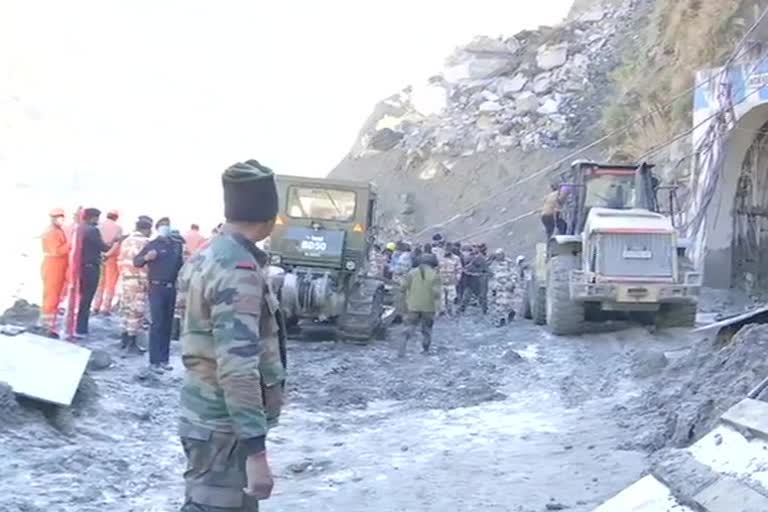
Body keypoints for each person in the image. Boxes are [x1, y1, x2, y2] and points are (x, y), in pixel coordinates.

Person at [177, 159, 286, 511]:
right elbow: (237, 365)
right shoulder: (238, 270)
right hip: (225, 429)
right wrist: (256, 450)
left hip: (207, 417)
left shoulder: (206, 255)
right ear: (268, 216)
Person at [134, 218, 184, 373]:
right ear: (157, 228)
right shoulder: (152, 245)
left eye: (167, 226)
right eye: (163, 226)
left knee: (168, 325)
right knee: (157, 324)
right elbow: (137, 261)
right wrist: (146, 258)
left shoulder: (176, 245)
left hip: (171, 288)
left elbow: (181, 267)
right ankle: (154, 361)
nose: (166, 228)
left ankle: (164, 360)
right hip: (156, 287)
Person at [76, 208, 116, 337]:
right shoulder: (93, 230)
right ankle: (81, 327)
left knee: (81, 298)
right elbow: (103, 247)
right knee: (86, 299)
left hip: (80, 266)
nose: (98, 220)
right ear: (92, 217)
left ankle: (77, 325)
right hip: (91, 267)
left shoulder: (79, 228)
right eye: (97, 218)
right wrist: (116, 241)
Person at [118, 217, 153, 355]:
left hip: (126, 278)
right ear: (147, 229)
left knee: (126, 309)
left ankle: (124, 339)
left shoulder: (126, 241)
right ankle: (132, 343)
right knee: (136, 311)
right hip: (139, 279)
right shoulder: (146, 242)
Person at [399, 253, 441, 357]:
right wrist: (439, 308)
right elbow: (436, 294)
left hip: (413, 306)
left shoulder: (411, 273)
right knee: (427, 330)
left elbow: (403, 287)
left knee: (409, 327)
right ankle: (425, 350)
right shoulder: (435, 275)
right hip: (429, 307)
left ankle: (402, 348)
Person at [39, 208, 70, 338]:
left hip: (57, 266)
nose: (60, 219)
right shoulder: (52, 232)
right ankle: (47, 327)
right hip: (53, 266)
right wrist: (70, 244)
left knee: (54, 296)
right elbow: (57, 251)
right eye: (58, 217)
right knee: (51, 297)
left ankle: (49, 325)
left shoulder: (57, 230)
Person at [93, 210, 123, 315]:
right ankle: (105, 307)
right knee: (110, 284)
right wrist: (108, 254)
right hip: (111, 259)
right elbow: (116, 244)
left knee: (99, 283)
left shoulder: (99, 227)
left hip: (98, 257)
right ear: (116, 217)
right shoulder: (118, 228)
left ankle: (96, 306)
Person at [488, 249, 516, 327]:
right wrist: (493, 287)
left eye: (499, 255)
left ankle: (511, 312)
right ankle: (501, 319)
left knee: (507, 302)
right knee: (499, 303)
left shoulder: (509, 262)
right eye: (497, 255)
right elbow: (492, 274)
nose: (498, 256)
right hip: (498, 285)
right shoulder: (494, 263)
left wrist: (512, 282)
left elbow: (513, 273)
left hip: (507, 285)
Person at [459, 247, 489, 315]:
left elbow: (483, 269)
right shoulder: (473, 257)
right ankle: (462, 308)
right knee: (468, 294)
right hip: (472, 278)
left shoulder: (479, 258)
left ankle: (484, 309)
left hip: (479, 278)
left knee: (481, 295)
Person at [437, 244, 462, 316]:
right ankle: (442, 311)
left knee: (451, 298)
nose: (447, 251)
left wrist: (457, 279)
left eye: (448, 249)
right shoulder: (439, 258)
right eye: (446, 249)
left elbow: (459, 269)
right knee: (441, 298)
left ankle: (450, 310)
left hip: (451, 281)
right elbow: (436, 269)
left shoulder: (456, 258)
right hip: (441, 281)